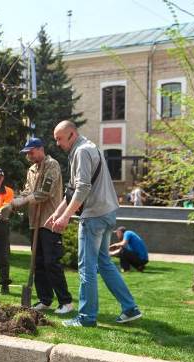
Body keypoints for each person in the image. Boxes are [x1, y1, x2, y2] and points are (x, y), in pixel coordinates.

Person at [48, 121, 142, 327]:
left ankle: (86, 317)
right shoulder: (88, 148)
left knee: (86, 267)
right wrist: (57, 212)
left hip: (94, 217)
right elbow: (72, 189)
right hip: (108, 214)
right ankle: (130, 308)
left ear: (72, 135)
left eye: (59, 138)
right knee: (104, 263)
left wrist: (65, 217)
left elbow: (82, 188)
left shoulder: (81, 152)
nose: (57, 143)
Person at [0, 138, 73, 314]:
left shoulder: (52, 165)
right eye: (27, 153)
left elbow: (44, 193)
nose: (29, 156)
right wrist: (12, 203)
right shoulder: (31, 169)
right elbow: (27, 191)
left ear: (41, 149)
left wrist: (21, 202)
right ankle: (45, 300)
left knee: (51, 262)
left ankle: (66, 302)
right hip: (35, 223)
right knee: (38, 263)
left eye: (31, 152)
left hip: (49, 221)